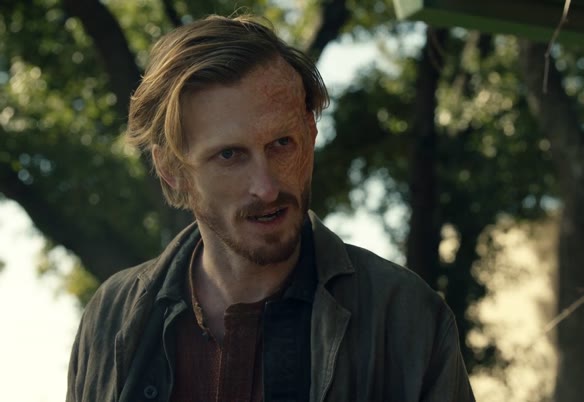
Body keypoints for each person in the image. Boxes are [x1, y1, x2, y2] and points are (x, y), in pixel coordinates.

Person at [66, 14, 474, 402]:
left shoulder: (405, 317)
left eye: (282, 143)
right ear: (171, 170)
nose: (266, 188)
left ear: (311, 134)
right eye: (229, 155)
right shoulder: (111, 317)